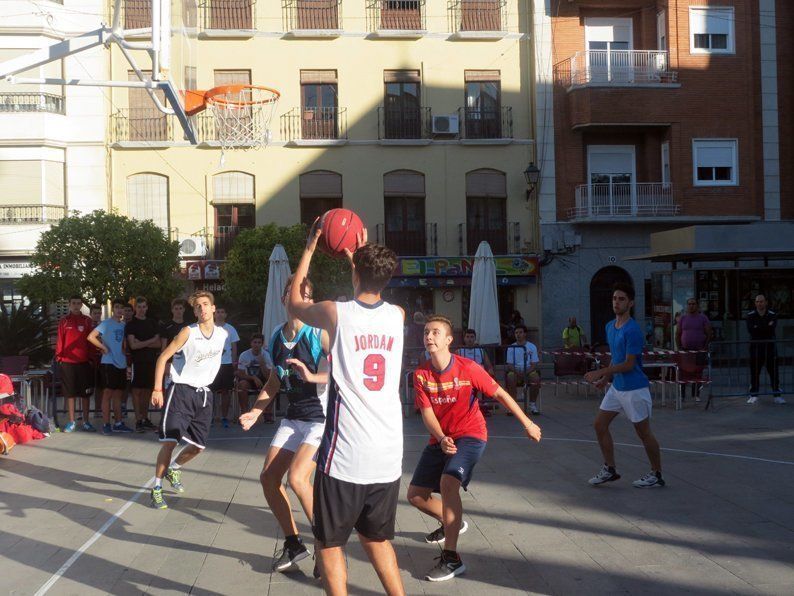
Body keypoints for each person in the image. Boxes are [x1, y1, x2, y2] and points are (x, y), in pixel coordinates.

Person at [287, 224, 406, 596]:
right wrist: (361, 253)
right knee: (376, 538)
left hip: (346, 454)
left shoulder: (336, 313)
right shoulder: (398, 315)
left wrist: (310, 249)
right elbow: (370, 278)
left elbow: (293, 304)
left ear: (355, 272)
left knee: (330, 542)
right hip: (388, 454)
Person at [408, 315, 541, 581]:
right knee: (415, 496)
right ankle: (452, 523)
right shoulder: (421, 374)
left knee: (448, 483)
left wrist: (527, 422)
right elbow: (426, 413)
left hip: (471, 435)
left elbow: (501, 394)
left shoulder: (467, 368)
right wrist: (441, 436)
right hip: (441, 438)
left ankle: (452, 558)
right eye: (425, 332)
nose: (429, 336)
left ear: (448, 340)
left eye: (435, 332)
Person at [239, 276, 330, 573]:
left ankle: (327, 546)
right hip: (293, 417)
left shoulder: (320, 334)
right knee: (268, 478)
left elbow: (342, 370)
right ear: (283, 299)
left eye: (302, 295)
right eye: (291, 294)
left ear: (309, 302)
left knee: (298, 479)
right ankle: (294, 543)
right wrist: (255, 410)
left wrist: (313, 376)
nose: (295, 300)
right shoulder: (277, 334)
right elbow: (275, 380)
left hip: (320, 417)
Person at [149, 291, 228, 510]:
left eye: (205, 304)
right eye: (197, 307)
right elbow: (163, 357)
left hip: (204, 395)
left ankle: (173, 468)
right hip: (181, 391)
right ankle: (156, 488)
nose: (202, 309)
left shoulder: (223, 334)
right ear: (194, 312)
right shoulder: (188, 332)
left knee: (198, 447)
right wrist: (157, 389)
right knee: (170, 440)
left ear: (213, 308)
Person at [584, 283, 665, 489]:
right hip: (617, 388)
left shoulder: (633, 330)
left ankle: (656, 474)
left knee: (643, 432)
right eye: (614, 298)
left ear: (631, 303)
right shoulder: (610, 326)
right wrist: (606, 380)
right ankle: (610, 469)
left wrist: (600, 372)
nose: (616, 302)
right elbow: (616, 358)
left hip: (635, 389)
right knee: (599, 425)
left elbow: (629, 364)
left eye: (621, 299)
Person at [87, 298, 133, 434]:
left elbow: (124, 343)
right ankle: (106, 424)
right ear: (113, 309)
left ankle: (118, 423)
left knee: (118, 395)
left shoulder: (124, 325)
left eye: (122, 308)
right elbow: (91, 337)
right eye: (117, 307)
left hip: (121, 363)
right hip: (108, 363)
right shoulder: (106, 324)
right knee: (107, 394)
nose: (120, 310)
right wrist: (103, 347)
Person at [55, 295, 96, 432]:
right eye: (74, 303)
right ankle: (71, 421)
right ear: (69, 304)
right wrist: (59, 358)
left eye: (79, 303)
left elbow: (91, 341)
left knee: (85, 394)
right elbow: (60, 340)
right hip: (67, 363)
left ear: (81, 305)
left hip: (84, 362)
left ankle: (86, 421)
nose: (76, 305)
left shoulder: (87, 321)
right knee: (70, 394)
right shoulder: (64, 321)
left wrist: (91, 358)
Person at [125, 296, 161, 433]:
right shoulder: (131, 324)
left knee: (147, 392)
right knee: (136, 391)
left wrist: (142, 343)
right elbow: (133, 346)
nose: (141, 309)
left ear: (147, 307)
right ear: (135, 308)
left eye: (144, 307)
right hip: (137, 362)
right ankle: (138, 420)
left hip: (151, 362)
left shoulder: (152, 323)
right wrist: (150, 340)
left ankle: (145, 419)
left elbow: (158, 344)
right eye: (139, 307)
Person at [746, 294, 784, 405]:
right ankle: (753, 395)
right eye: (757, 301)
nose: (759, 303)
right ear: (755, 303)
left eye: (761, 301)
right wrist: (765, 326)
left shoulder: (772, 315)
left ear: (766, 302)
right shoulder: (750, 315)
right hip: (756, 349)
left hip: (770, 348)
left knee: (774, 373)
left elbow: (771, 330)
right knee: (755, 372)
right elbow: (751, 330)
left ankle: (777, 395)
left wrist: (758, 327)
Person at [675, 298, 712, 403]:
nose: (691, 306)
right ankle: (682, 396)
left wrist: (704, 347)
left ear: (697, 305)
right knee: (683, 373)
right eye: (689, 304)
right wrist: (679, 348)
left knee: (698, 373)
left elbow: (709, 333)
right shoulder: (683, 318)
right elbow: (677, 334)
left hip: (699, 350)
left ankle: (696, 395)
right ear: (687, 306)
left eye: (693, 304)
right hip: (685, 351)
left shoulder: (703, 318)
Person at [211, 305, 240, 428]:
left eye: (222, 312)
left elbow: (234, 348)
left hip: (227, 364)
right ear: (214, 313)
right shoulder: (209, 328)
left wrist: (234, 364)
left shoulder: (230, 329)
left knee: (225, 391)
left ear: (225, 314)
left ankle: (224, 417)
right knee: (210, 392)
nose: (220, 314)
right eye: (218, 312)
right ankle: (211, 417)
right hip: (211, 365)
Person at [457, 329, 495, 416]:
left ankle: (484, 405)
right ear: (464, 339)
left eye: (472, 337)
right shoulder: (459, 351)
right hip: (465, 376)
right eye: (467, 337)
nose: (469, 339)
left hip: (479, 374)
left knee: (488, 378)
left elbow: (488, 365)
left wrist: (490, 371)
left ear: (475, 339)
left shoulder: (481, 351)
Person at [236, 333, 274, 420]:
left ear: (262, 344)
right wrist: (254, 378)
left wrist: (262, 364)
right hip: (249, 379)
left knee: (272, 385)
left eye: (259, 342)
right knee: (242, 385)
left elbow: (268, 376)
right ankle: (244, 413)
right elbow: (240, 373)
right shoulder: (244, 355)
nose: (257, 345)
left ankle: (267, 413)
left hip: (264, 379)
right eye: (255, 342)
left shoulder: (266, 355)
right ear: (251, 343)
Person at [505, 325, 541, 415]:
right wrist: (518, 372)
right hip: (515, 370)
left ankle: (532, 404)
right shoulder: (511, 347)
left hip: (529, 370)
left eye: (520, 332)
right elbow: (509, 364)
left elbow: (534, 364)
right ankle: (513, 406)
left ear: (525, 334)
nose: (518, 334)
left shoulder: (532, 347)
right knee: (510, 378)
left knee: (536, 379)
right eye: (516, 333)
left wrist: (526, 372)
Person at [89, 303, 104, 418]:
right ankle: (83, 412)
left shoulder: (105, 326)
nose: (97, 315)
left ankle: (98, 409)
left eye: (99, 313)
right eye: (95, 313)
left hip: (102, 359)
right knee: (88, 387)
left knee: (100, 386)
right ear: (90, 314)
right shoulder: (87, 325)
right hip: (89, 359)